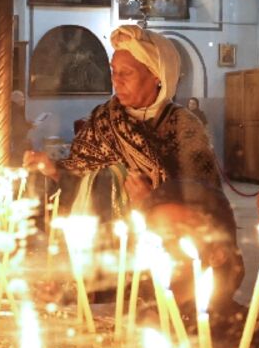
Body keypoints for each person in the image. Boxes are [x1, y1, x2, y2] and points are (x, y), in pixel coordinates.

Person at [23, 25, 230, 231]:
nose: (116, 80)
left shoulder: (184, 127)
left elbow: (207, 202)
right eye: (113, 71)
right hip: (106, 243)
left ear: (157, 75)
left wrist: (153, 201)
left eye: (126, 73)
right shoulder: (103, 118)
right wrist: (53, 169)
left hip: (159, 244)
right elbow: (77, 178)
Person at [145, 180, 259, 348]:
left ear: (218, 253)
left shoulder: (246, 332)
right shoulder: (138, 313)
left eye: (175, 235)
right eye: (154, 235)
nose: (160, 246)